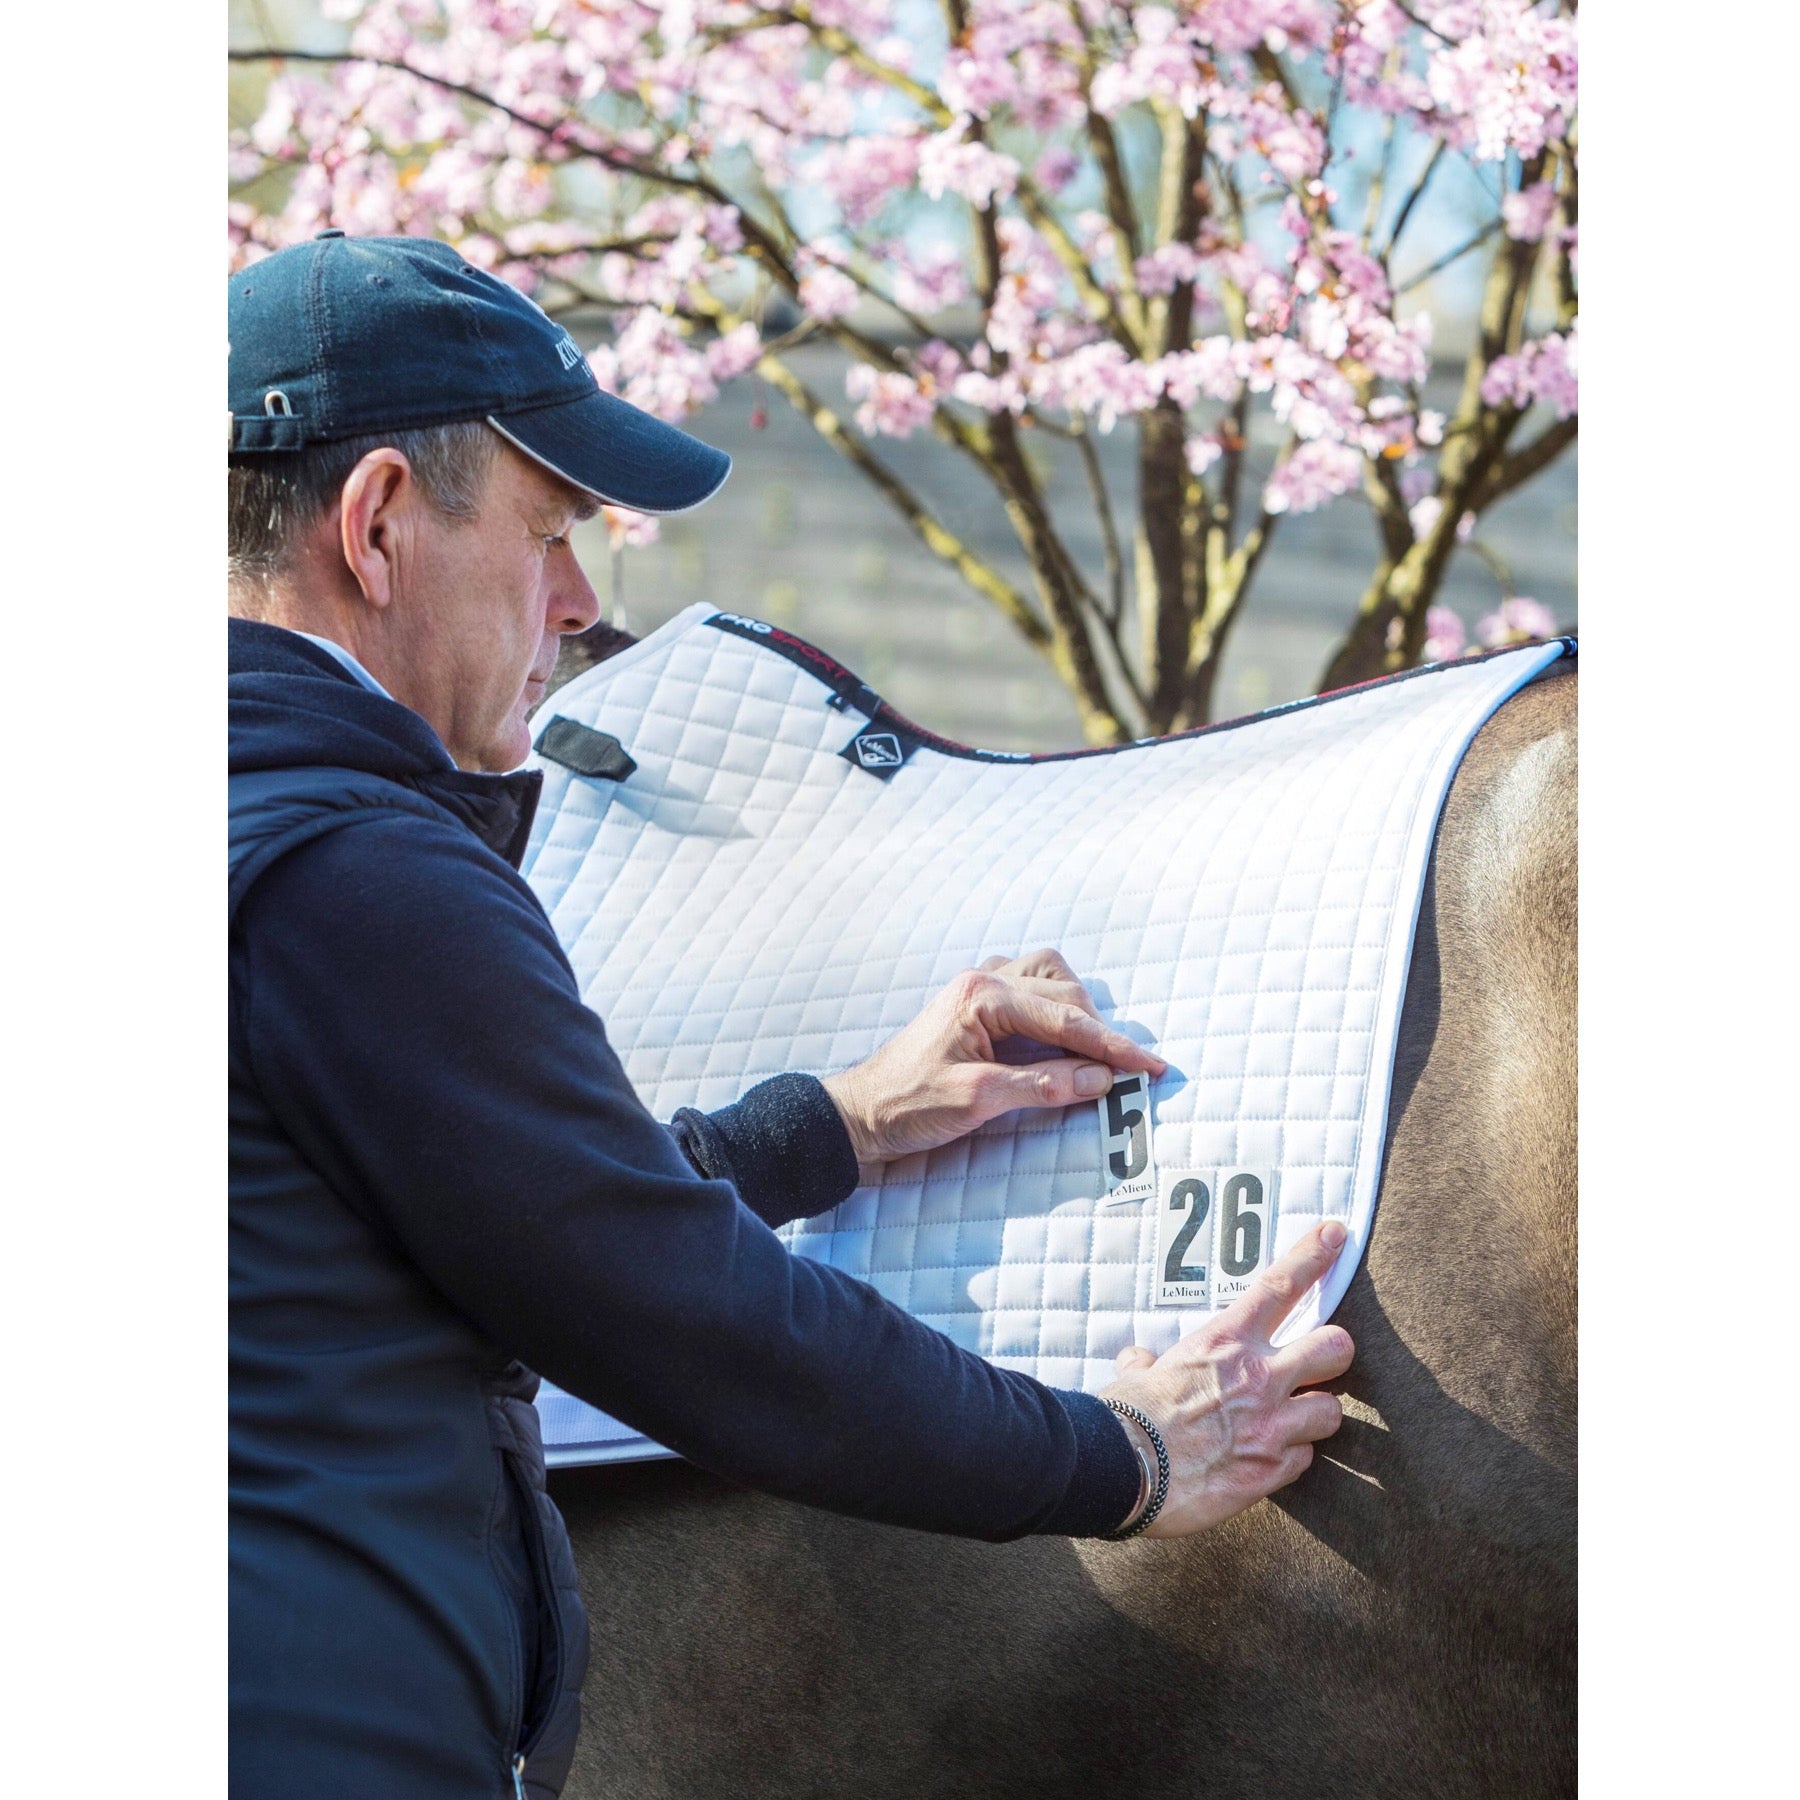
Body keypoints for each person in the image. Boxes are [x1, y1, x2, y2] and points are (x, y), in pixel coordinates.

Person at [228, 233, 1355, 1800]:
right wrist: (1127, 1453)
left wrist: (836, 1123)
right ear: (377, 525)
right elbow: (670, 1303)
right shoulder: (350, 872)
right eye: (550, 534)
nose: (575, 602)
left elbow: (476, 1198)